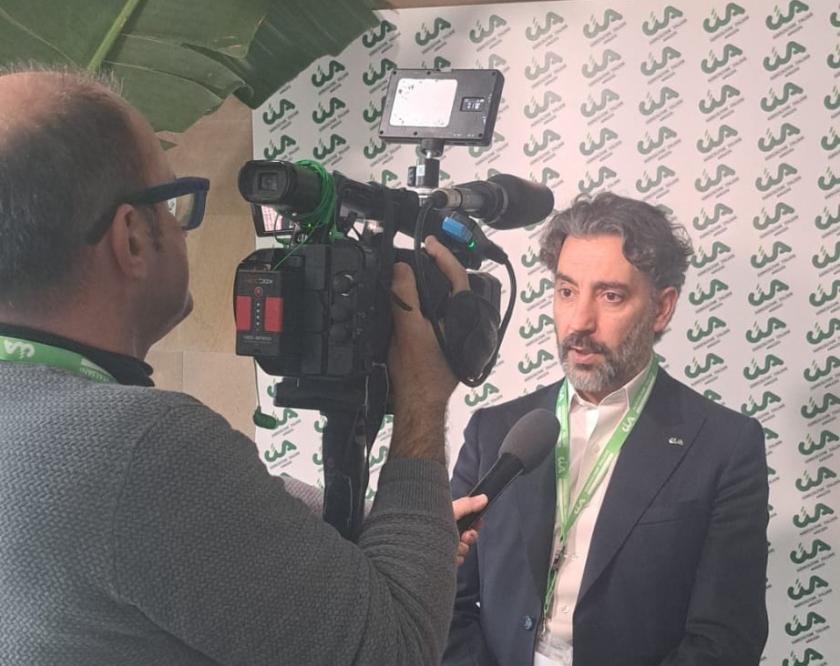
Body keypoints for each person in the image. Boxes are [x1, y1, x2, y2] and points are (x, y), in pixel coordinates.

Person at [0, 66, 485, 664]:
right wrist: (422, 397)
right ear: (131, 238)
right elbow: (397, 649)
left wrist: (394, 528)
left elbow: (193, 527)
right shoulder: (138, 447)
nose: (180, 227)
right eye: (173, 202)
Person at [444, 193, 769, 666]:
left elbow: (726, 639)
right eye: (566, 291)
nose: (579, 321)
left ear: (661, 308)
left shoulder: (725, 446)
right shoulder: (493, 432)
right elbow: (444, 599)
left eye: (610, 295)